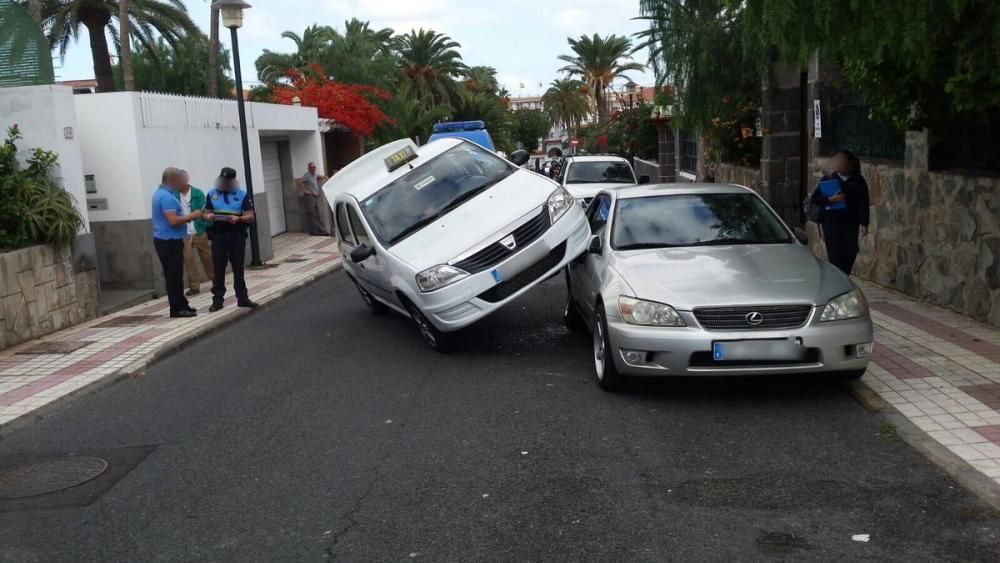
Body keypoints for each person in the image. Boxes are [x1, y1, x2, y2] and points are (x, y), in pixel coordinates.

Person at [203, 167, 259, 312]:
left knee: (238, 267)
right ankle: (217, 300)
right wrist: (207, 216)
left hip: (236, 234)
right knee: (219, 268)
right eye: (223, 180)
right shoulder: (212, 194)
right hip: (218, 236)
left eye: (228, 181)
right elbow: (206, 213)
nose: (225, 183)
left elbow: (250, 215)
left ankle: (242, 297)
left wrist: (239, 218)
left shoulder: (242, 194)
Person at [152, 167, 202, 318]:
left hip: (168, 240)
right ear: (172, 180)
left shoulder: (163, 194)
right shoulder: (166, 197)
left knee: (176, 275)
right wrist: (192, 215)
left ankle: (182, 304)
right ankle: (176, 309)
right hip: (169, 241)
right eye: (180, 179)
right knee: (174, 277)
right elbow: (172, 221)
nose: (183, 182)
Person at [810, 149, 870, 275]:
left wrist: (864, 223)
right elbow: (815, 199)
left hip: (850, 223)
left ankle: (844, 276)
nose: (838, 164)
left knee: (850, 252)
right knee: (835, 254)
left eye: (842, 161)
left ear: (850, 163)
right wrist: (830, 199)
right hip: (831, 223)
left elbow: (863, 202)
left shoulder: (858, 180)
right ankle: (839, 279)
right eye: (837, 161)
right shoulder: (828, 179)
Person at [176, 170, 213, 296]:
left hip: (199, 230)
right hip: (184, 232)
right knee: (188, 259)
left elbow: (204, 210)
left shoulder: (197, 193)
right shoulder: (174, 195)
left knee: (206, 257)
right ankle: (194, 286)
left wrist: (201, 218)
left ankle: (216, 280)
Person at [295, 162, 329, 236]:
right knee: (312, 214)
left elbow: (318, 176)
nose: (314, 168)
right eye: (312, 167)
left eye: (314, 167)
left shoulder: (315, 174)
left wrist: (324, 177)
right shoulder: (307, 175)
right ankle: (314, 231)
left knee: (317, 214)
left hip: (315, 196)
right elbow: (299, 182)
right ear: (309, 168)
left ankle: (321, 230)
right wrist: (305, 191)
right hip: (309, 197)